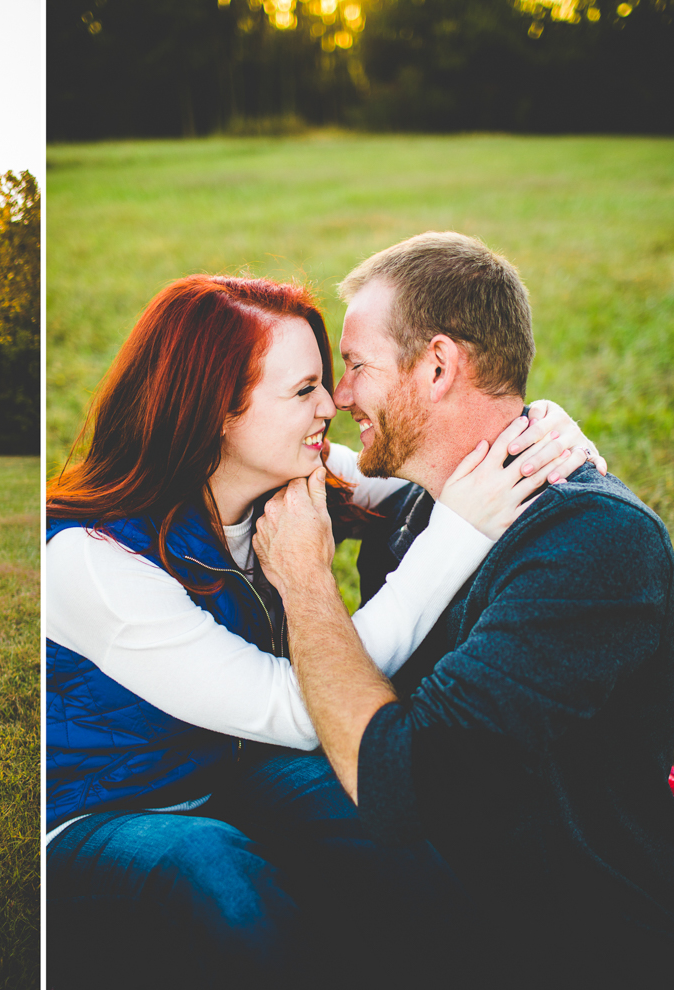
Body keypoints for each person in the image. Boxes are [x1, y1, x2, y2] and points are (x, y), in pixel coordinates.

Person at [44, 275, 599, 986]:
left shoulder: (291, 474)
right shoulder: (93, 562)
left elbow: (438, 456)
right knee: (211, 868)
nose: (332, 404)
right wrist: (455, 533)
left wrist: (537, 428)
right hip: (97, 813)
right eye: (303, 389)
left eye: (329, 381)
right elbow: (298, 709)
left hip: (229, 771)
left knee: (380, 818)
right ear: (217, 410)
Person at [252, 231, 674, 982]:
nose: (340, 397)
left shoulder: (593, 545)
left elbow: (400, 780)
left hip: (569, 941)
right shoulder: (419, 502)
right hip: (443, 894)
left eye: (355, 368)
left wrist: (307, 583)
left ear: (440, 366)